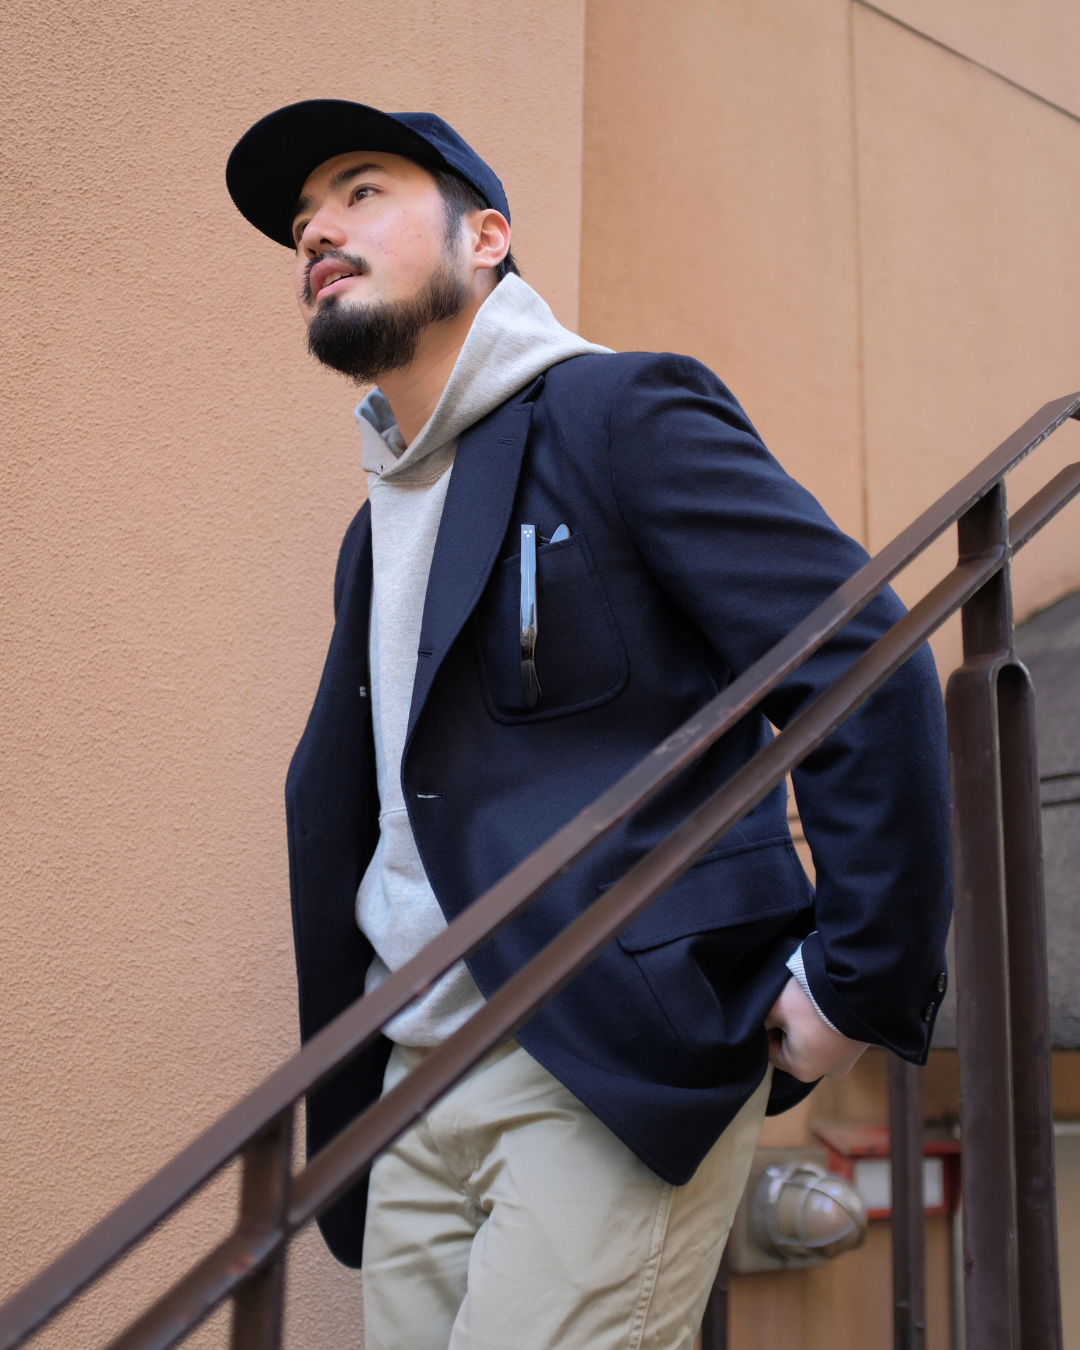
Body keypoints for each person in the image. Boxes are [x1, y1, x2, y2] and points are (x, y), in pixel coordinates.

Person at [226, 100, 951, 1350]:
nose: (317, 233)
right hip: (407, 1081)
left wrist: (854, 984)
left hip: (602, 1060)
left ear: (486, 238)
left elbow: (865, 665)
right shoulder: (374, 528)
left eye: (361, 193)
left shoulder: (619, 413)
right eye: (303, 222)